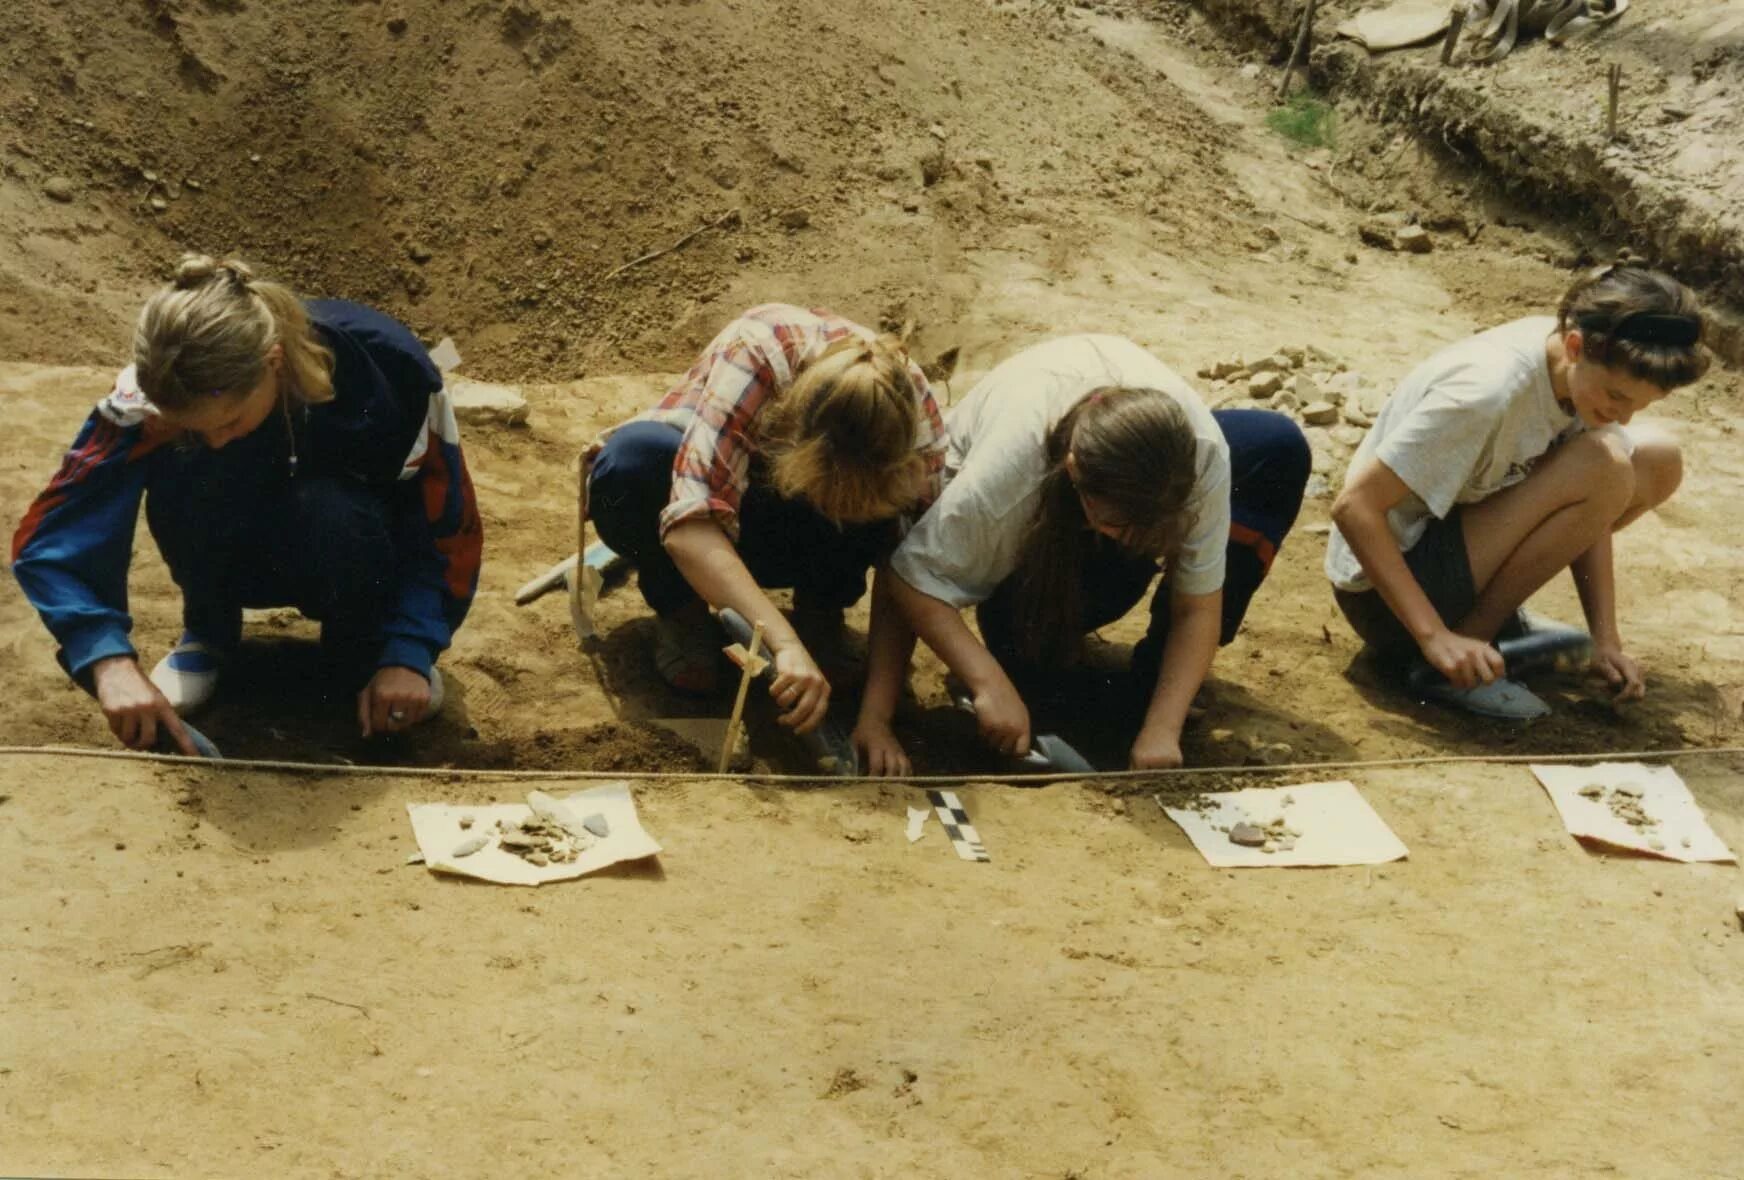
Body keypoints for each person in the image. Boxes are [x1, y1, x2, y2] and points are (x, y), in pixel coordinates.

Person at [10, 254, 483, 754]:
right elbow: (55, 533)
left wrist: (409, 649)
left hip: (347, 545)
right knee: (191, 468)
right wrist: (106, 661)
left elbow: (445, 526)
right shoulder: (149, 395)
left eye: (230, 421)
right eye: (195, 428)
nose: (216, 440)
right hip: (226, 548)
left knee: (330, 506)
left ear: (273, 364)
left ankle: (368, 652)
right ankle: (209, 632)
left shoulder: (388, 371)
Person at [857, 334, 1310, 774]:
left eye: (1146, 531)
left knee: (1275, 446)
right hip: (1025, 537)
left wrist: (1161, 729)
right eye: (1117, 526)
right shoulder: (1008, 476)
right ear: (1074, 472)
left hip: (1113, 475)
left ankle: (1152, 685)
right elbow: (911, 572)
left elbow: (1198, 606)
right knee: (1036, 688)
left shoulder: (1200, 457)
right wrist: (981, 682)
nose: (1130, 539)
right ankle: (1029, 659)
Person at [1325, 264, 1705, 717]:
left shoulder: (1576, 367)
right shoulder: (1487, 391)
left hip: (1454, 552)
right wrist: (1434, 637)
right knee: (1605, 462)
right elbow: (1354, 507)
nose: (1623, 416)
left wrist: (1606, 639)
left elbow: (1593, 505)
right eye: (1617, 397)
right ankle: (1461, 657)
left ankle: (1493, 627)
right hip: (1385, 595)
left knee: (1656, 459)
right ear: (1575, 346)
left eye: (1639, 405)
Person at [585, 302, 946, 746]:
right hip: (735, 506)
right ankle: (682, 611)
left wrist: (877, 715)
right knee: (635, 463)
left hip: (797, 526)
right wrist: (784, 644)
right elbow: (688, 522)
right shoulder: (757, 353)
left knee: (890, 519)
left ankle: (821, 614)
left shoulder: (913, 423)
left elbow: (904, 569)